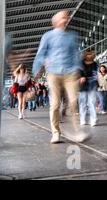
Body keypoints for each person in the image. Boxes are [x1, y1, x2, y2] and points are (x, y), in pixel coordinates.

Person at [32, 10, 88, 144]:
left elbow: (76, 54)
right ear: (55, 21)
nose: (66, 19)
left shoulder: (72, 36)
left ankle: (78, 132)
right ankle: (56, 133)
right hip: (54, 73)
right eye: (63, 17)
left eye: (66, 17)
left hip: (70, 73)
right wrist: (37, 71)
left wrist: (81, 72)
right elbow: (41, 54)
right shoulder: (48, 36)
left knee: (74, 102)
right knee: (55, 104)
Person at [79, 50, 98, 127]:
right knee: (83, 102)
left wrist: (96, 77)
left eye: (91, 54)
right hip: (82, 84)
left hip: (92, 83)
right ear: (85, 55)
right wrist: (80, 77)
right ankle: (82, 119)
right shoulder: (80, 63)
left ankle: (93, 119)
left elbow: (96, 73)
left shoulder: (95, 64)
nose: (89, 56)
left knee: (92, 102)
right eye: (88, 54)